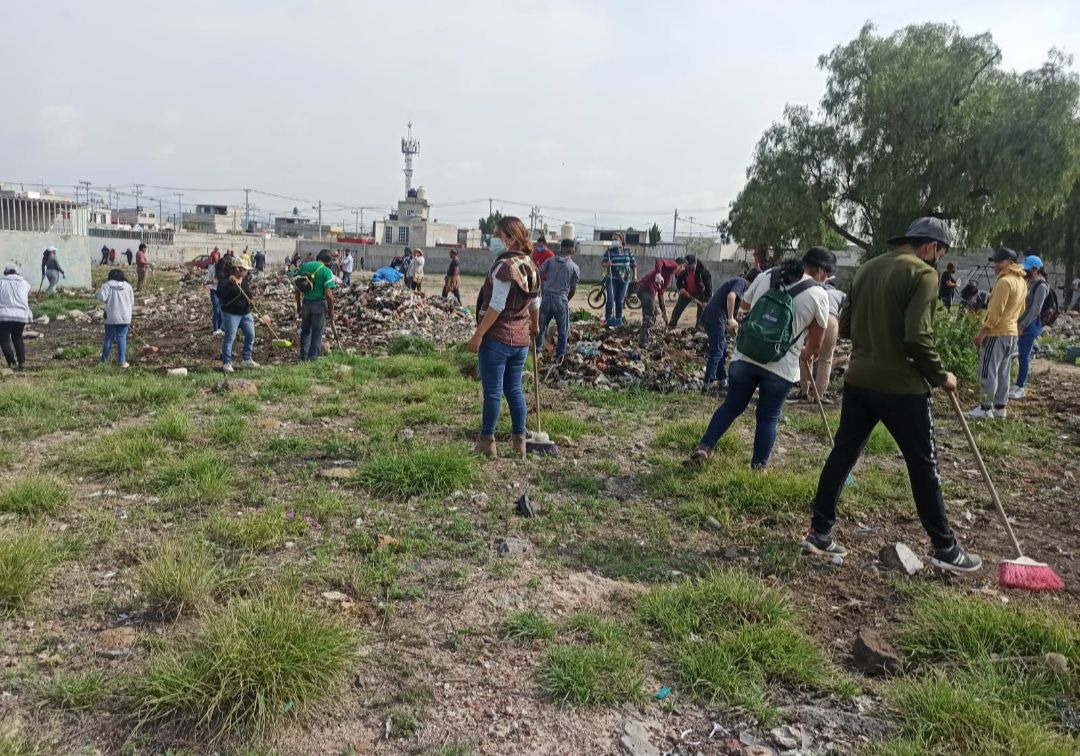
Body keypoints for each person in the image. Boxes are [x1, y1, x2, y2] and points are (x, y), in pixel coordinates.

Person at [801, 217, 980, 573]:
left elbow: (847, 325)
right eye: (939, 252)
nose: (938, 260)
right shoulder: (923, 275)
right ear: (929, 246)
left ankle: (820, 532)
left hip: (859, 380)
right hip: (903, 388)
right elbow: (917, 337)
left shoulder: (867, 268)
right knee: (923, 464)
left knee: (843, 454)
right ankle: (945, 547)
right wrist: (940, 375)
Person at [684, 257, 829, 469]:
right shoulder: (818, 294)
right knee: (768, 417)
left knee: (732, 405)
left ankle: (704, 446)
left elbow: (745, 305)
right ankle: (758, 468)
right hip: (781, 366)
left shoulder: (767, 275)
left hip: (746, 355)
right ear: (820, 271)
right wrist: (805, 352)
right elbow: (816, 344)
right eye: (825, 274)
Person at [468, 216, 541, 460]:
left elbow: (496, 305)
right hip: (520, 341)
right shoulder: (529, 264)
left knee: (492, 392)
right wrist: (535, 325)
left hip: (497, 339)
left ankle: (487, 442)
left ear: (509, 238)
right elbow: (536, 301)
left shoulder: (504, 268)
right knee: (514, 390)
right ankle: (519, 443)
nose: (493, 240)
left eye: (497, 235)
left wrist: (478, 334)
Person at [967, 248, 1026, 420]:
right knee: (1003, 372)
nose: (996, 265)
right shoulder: (1021, 281)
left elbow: (995, 312)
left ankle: (985, 409)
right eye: (995, 262)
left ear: (1010, 261)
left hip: (996, 333)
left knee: (988, 370)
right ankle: (1000, 408)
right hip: (1011, 333)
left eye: (999, 262)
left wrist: (982, 333)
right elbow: (1021, 309)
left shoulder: (1004, 282)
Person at [701, 267, 761, 391]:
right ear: (755, 281)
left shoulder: (741, 285)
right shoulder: (742, 282)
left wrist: (733, 321)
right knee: (717, 349)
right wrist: (730, 319)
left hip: (716, 316)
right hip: (716, 316)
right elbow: (731, 297)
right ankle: (708, 383)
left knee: (722, 348)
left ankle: (722, 379)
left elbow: (737, 309)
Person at [1008, 255, 1050, 401]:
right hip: (1019, 322)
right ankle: (1016, 383)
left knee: (1024, 356)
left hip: (1029, 325)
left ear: (1036, 269)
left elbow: (1035, 310)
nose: (1025, 271)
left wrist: (1022, 326)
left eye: (1028, 269)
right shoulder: (1029, 281)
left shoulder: (1041, 286)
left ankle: (1020, 387)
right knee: (1016, 354)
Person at [800, 268, 846, 403]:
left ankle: (804, 392)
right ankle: (818, 396)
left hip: (813, 319)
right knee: (825, 359)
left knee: (806, 355)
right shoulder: (840, 294)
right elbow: (848, 310)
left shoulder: (816, 289)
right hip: (831, 318)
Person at [536, 239, 581, 360]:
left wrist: (543, 286)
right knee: (563, 330)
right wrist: (565, 299)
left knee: (540, 327)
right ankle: (560, 355)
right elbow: (572, 289)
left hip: (546, 299)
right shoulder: (574, 267)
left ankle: (537, 351)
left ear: (561, 249)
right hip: (561, 300)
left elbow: (538, 272)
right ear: (573, 250)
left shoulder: (550, 261)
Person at [218, 256, 259, 372]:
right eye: (244, 269)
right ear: (237, 269)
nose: (246, 272)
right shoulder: (225, 280)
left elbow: (247, 292)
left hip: (246, 313)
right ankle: (227, 362)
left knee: (251, 334)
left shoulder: (244, 280)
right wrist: (231, 285)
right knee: (230, 337)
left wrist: (251, 300)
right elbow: (220, 295)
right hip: (231, 314)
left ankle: (247, 359)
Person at [294, 249, 336, 361]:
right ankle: (312, 359)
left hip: (306, 303)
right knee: (317, 333)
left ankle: (303, 357)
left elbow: (297, 288)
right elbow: (328, 294)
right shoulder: (326, 272)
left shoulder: (304, 267)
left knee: (306, 331)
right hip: (320, 305)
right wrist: (331, 309)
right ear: (329, 261)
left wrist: (298, 304)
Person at [636, 257, 685, 348]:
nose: (683, 271)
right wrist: (658, 273)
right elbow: (659, 260)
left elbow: (661, 295)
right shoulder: (673, 265)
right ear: (681, 266)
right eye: (683, 268)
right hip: (645, 289)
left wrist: (664, 313)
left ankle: (645, 338)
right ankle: (643, 343)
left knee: (654, 313)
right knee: (649, 316)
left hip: (646, 291)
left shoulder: (669, 276)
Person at [97, 268, 134, 369]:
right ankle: (122, 361)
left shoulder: (107, 285)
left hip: (111, 317)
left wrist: (98, 292)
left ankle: (103, 361)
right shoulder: (128, 286)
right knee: (122, 338)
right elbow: (132, 302)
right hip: (125, 317)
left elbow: (102, 298)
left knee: (109, 338)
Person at [600, 233, 636, 327]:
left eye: (616, 239)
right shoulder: (609, 252)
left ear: (621, 240)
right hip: (612, 279)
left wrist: (635, 276)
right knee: (611, 299)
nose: (614, 241)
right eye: (613, 240)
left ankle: (618, 319)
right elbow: (603, 263)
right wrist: (607, 264)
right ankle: (608, 319)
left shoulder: (628, 251)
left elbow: (633, 264)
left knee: (620, 300)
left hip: (625, 280)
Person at [0, 267, 32, 370]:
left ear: (5, 273)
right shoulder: (25, 283)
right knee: (17, 337)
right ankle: (22, 363)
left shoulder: (1, 282)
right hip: (21, 314)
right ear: (17, 273)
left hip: (3, 314)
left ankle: (12, 363)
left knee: (4, 339)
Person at [669, 254, 712, 329]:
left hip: (700, 293)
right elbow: (679, 281)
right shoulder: (684, 269)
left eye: (690, 267)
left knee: (701, 311)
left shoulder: (704, 272)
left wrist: (706, 301)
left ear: (695, 264)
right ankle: (672, 324)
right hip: (687, 292)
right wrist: (681, 288)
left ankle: (699, 327)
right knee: (678, 308)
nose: (688, 269)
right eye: (687, 267)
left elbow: (709, 287)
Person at [206, 260, 224, 336]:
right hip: (214, 290)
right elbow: (207, 280)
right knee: (216, 309)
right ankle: (215, 329)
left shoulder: (224, 268)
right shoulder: (212, 268)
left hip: (222, 290)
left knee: (221, 310)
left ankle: (220, 328)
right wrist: (212, 281)